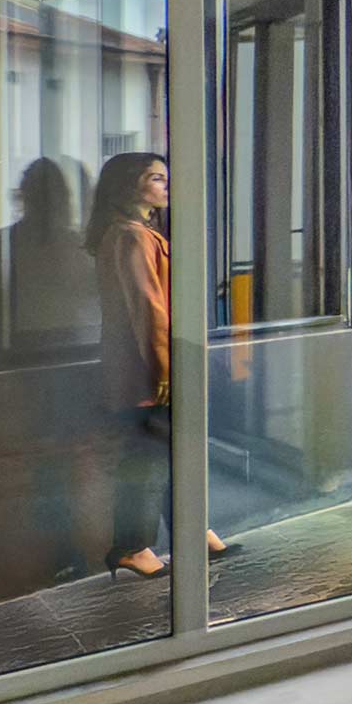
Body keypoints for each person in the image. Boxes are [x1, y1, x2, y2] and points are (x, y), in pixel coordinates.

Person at [85, 152, 227, 577]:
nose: (166, 187)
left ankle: (189, 530)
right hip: (144, 371)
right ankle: (131, 546)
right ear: (130, 186)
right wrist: (165, 371)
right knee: (147, 459)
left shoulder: (140, 232)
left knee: (170, 452)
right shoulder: (129, 236)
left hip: (148, 366)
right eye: (156, 179)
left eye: (165, 178)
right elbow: (149, 312)